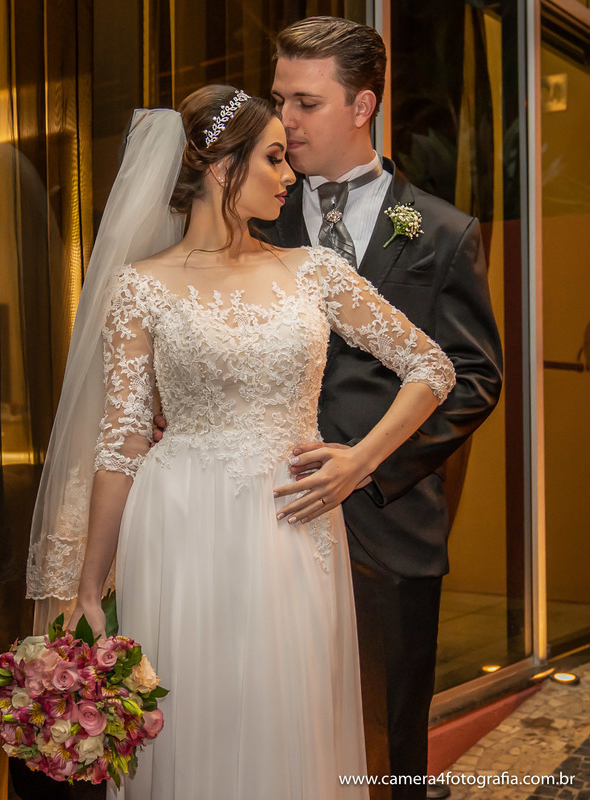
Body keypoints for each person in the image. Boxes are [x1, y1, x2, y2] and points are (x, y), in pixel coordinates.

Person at [26, 84, 456, 799]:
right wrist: (87, 587)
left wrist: (360, 459)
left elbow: (431, 367)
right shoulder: (141, 288)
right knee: (189, 713)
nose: (290, 177)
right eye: (274, 159)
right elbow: (122, 443)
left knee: (286, 710)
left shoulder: (312, 272)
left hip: (289, 526)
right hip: (178, 530)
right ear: (223, 169)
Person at [252, 18, 503, 799]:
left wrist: (369, 464)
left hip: (388, 526)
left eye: (305, 102)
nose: (283, 121)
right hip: (264, 514)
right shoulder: (252, 219)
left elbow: (473, 374)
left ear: (362, 107)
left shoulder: (440, 231)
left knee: (385, 742)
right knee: (273, 723)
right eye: (277, 100)